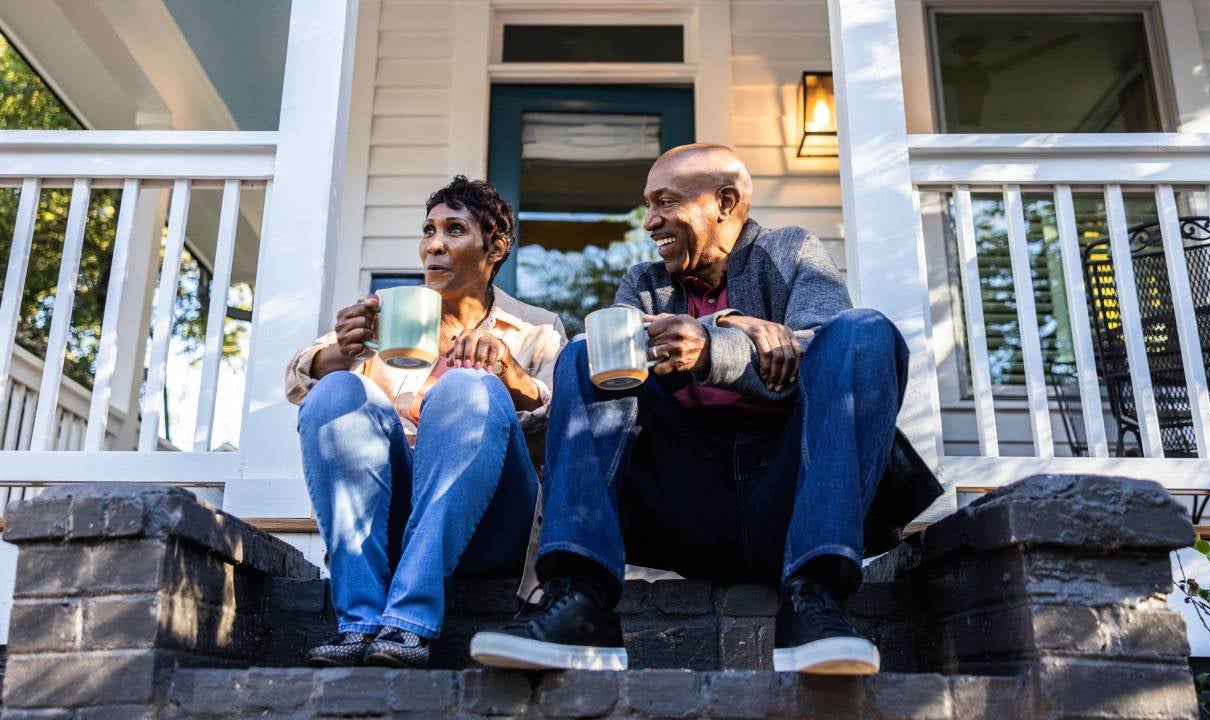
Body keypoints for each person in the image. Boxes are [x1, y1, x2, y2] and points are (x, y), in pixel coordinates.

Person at [469, 144, 940, 674]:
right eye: (648, 205)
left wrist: (712, 350)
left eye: (665, 202)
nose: (650, 221)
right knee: (586, 353)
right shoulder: (646, 284)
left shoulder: (791, 253)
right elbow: (618, 370)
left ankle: (814, 601)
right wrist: (739, 324)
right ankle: (579, 603)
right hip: (686, 505)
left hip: (789, 506)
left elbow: (828, 356)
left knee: (865, 330)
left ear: (726, 202)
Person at [286, 176, 566, 668]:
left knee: (467, 386)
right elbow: (301, 385)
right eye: (428, 230)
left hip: (492, 526)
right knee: (337, 391)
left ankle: (408, 621)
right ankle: (359, 622)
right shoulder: (385, 320)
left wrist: (507, 372)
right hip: (390, 521)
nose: (434, 245)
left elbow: (563, 432)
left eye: (454, 230)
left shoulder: (537, 330)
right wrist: (339, 352)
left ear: (495, 246)